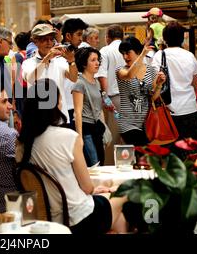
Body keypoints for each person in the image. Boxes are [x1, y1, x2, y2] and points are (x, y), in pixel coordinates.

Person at [17, 78, 127, 235]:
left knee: (109, 208)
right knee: (126, 195)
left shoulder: (21, 144)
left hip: (48, 220)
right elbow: (88, 188)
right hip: (78, 218)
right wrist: (94, 190)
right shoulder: (68, 137)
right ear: (55, 105)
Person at [151, 22, 197, 140]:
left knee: (170, 153)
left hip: (168, 110)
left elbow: (155, 83)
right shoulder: (190, 56)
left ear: (164, 38)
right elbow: (194, 84)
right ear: (182, 37)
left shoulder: (159, 56)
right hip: (189, 108)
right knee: (191, 152)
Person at [22, 23, 78, 124]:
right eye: (44, 39)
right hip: (38, 119)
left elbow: (73, 78)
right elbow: (31, 79)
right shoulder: (28, 63)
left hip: (60, 117)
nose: (49, 42)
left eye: (51, 39)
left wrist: (71, 61)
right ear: (35, 41)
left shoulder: (60, 61)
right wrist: (47, 58)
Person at [116, 37, 166, 146]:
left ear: (137, 51)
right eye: (123, 53)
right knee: (142, 152)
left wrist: (159, 84)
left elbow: (153, 98)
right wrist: (142, 55)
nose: (125, 57)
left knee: (144, 159)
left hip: (147, 123)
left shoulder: (151, 70)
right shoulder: (121, 70)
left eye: (128, 53)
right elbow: (129, 75)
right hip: (128, 124)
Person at [95, 25, 125, 164]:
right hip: (130, 99)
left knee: (111, 136)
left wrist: (105, 97)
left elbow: (102, 76)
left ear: (107, 37)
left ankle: (110, 167)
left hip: (114, 99)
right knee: (126, 135)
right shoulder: (128, 48)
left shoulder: (105, 51)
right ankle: (126, 165)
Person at [72, 47, 105, 166]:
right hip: (86, 129)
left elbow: (99, 108)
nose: (97, 63)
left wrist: (104, 128)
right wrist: (79, 137)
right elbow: (77, 111)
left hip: (97, 128)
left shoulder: (96, 82)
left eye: (98, 60)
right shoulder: (79, 83)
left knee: (101, 163)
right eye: (93, 60)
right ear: (84, 64)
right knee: (94, 164)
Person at [61, 18, 89, 127]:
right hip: (65, 107)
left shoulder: (81, 52)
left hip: (80, 106)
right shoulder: (57, 55)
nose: (81, 39)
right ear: (68, 36)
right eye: (78, 34)